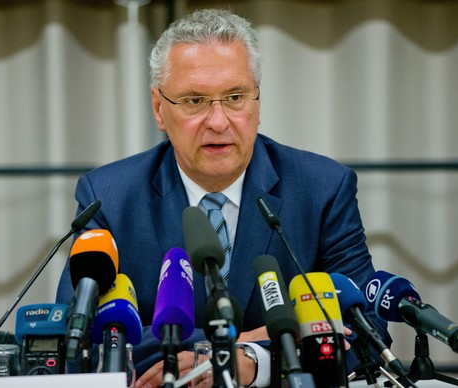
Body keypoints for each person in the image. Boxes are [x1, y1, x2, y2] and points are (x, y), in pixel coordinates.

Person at [56, 8, 391, 387]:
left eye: (234, 97)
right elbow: (75, 337)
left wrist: (253, 359)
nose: (218, 121)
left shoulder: (322, 189)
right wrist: (227, 347)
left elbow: (368, 333)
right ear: (159, 109)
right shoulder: (110, 198)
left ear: (258, 102)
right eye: (194, 101)